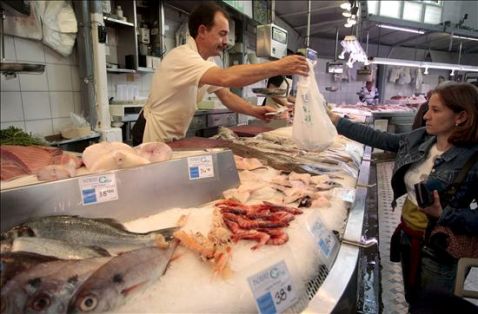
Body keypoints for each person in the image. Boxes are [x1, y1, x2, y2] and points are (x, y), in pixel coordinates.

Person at [328, 82, 478, 306]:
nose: (426, 116)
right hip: (408, 235)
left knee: (432, 306)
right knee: (411, 299)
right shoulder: (421, 139)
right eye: (428, 108)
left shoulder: (473, 159)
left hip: (440, 248)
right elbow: (380, 139)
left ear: (461, 117)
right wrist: (337, 121)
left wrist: (443, 213)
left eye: (435, 110)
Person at [132, 2, 308, 144]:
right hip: (151, 133)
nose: (226, 42)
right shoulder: (183, 56)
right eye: (222, 34)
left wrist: (255, 111)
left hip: (172, 137)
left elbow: (226, 95)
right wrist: (279, 66)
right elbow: (227, 77)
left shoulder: (206, 61)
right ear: (202, 31)